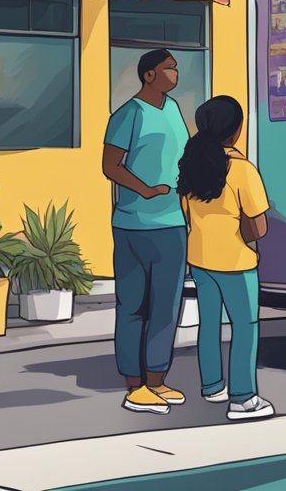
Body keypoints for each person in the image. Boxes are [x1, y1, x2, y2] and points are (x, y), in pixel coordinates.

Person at [103, 49, 191, 415]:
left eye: (175, 67)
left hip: (173, 223)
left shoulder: (173, 110)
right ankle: (134, 385)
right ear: (149, 75)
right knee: (133, 306)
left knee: (167, 307)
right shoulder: (128, 114)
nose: (175, 73)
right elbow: (110, 166)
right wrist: (145, 189)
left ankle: (157, 379)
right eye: (168, 68)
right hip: (133, 224)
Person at [177, 96, 274, 421]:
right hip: (236, 261)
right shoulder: (242, 169)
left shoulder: (191, 163)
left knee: (209, 324)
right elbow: (259, 225)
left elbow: (187, 212)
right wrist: (240, 236)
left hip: (200, 257)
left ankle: (212, 386)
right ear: (235, 131)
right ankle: (244, 398)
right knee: (245, 327)